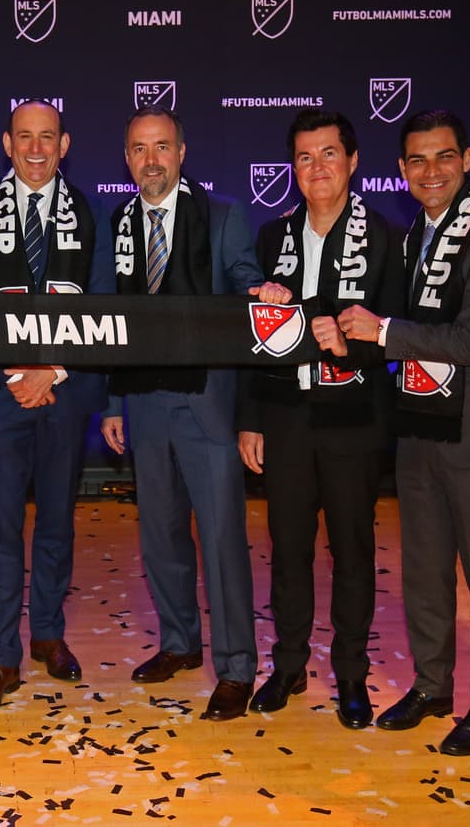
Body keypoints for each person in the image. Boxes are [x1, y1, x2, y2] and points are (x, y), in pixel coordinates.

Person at [337, 110, 470, 755]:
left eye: (444, 156)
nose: (431, 171)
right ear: (401, 170)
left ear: (467, 160)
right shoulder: (414, 234)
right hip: (419, 425)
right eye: (417, 160)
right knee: (423, 571)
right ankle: (432, 685)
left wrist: (382, 331)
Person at [238, 108, 404, 729]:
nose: (317, 167)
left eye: (329, 154)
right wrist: (250, 418)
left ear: (353, 161)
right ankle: (287, 665)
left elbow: (399, 332)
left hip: (353, 417)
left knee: (353, 552)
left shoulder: (386, 237)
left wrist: (351, 344)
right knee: (287, 550)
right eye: (305, 157)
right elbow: (253, 338)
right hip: (285, 417)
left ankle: (352, 674)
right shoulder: (271, 237)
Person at [0, 99, 115, 716]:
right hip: (1, 398)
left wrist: (53, 371)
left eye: (48, 137)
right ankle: (1, 655)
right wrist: (20, 373)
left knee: (56, 524)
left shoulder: (93, 213)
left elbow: (104, 304)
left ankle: (47, 632)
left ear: (65, 144)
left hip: (65, 394)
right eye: (25, 137)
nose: (37, 148)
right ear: (7, 143)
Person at [101, 105, 263, 722]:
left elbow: (246, 282)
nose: (151, 160)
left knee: (221, 540)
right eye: (140, 149)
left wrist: (262, 291)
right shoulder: (119, 222)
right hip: (143, 403)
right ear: (126, 159)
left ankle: (237, 668)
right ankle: (179, 641)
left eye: (162, 147)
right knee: (161, 535)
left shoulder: (223, 215)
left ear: (182, 153)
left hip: (207, 404)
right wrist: (112, 402)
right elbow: (109, 318)